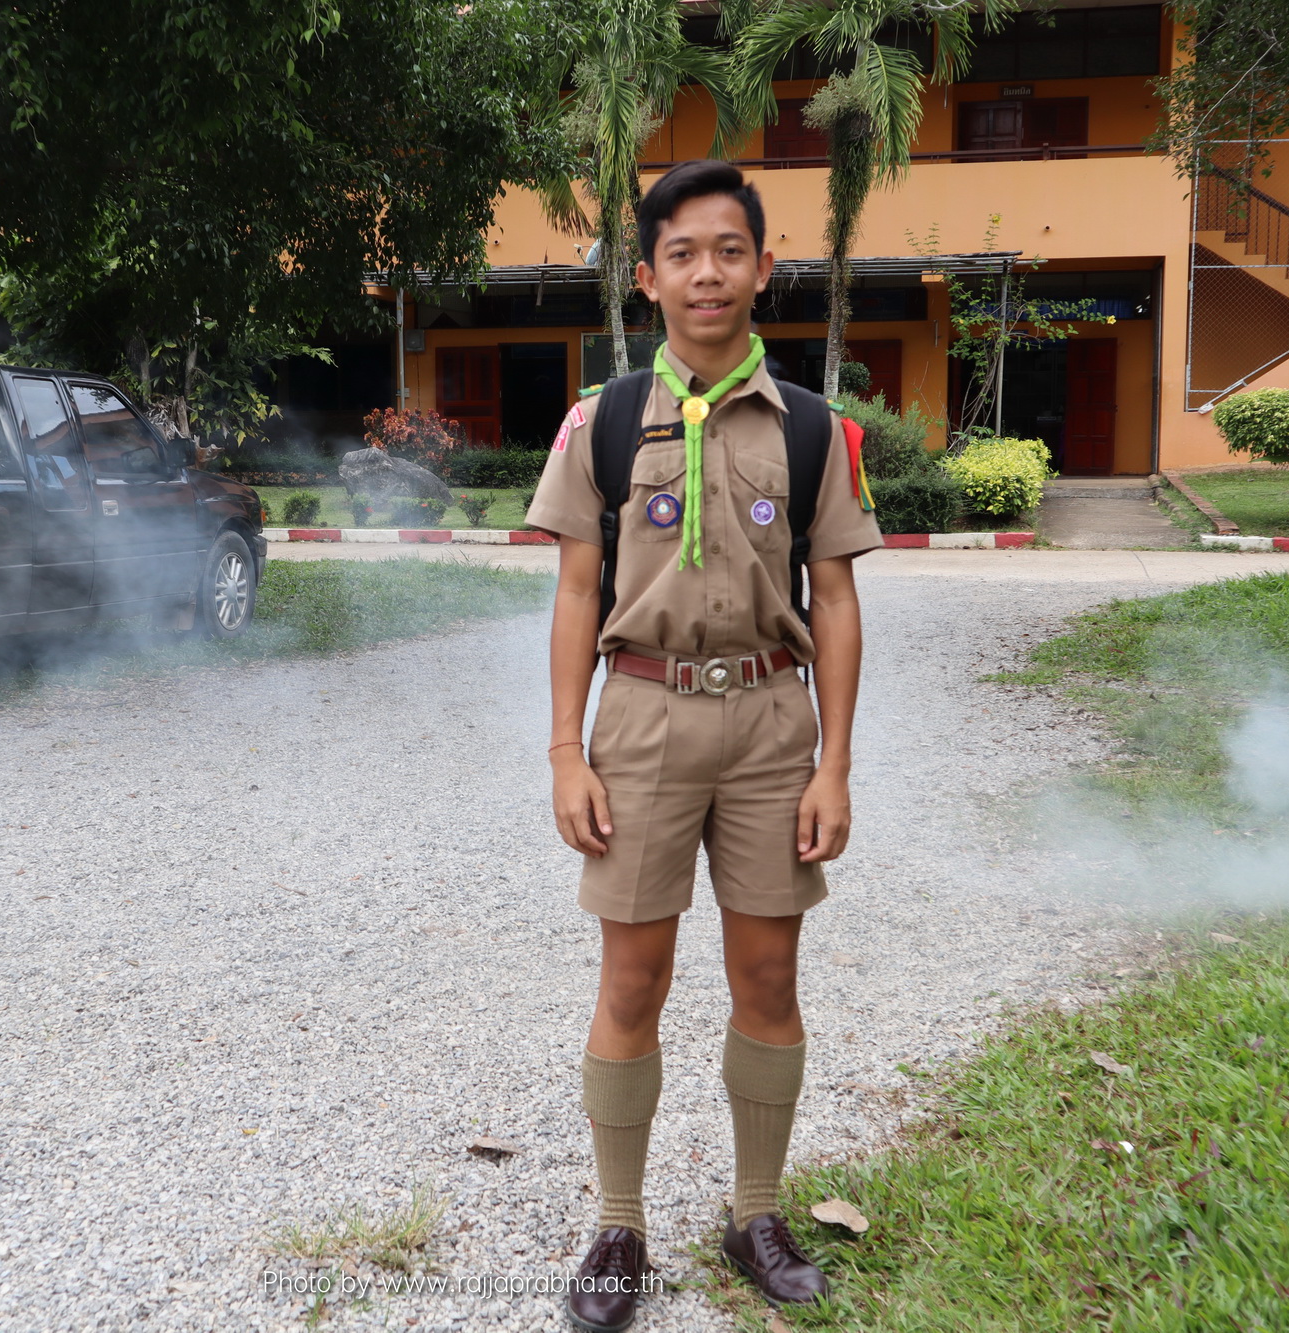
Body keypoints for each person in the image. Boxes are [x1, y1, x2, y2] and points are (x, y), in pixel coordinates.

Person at [524, 159, 882, 1331]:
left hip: (771, 725)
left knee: (767, 974)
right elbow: (576, 591)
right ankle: (617, 1226)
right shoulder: (602, 421)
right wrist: (565, 752)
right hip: (640, 717)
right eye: (681, 254)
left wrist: (832, 764)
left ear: (762, 268)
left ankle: (755, 1212)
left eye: (729, 250)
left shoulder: (813, 428)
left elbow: (835, 599)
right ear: (648, 278)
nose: (706, 274)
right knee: (631, 977)